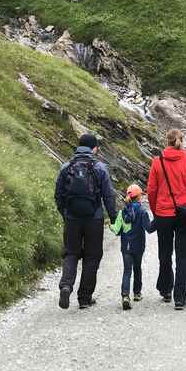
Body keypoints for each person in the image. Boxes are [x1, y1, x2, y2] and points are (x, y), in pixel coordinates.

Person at [146, 128, 186, 310]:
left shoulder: (157, 163)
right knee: (183, 256)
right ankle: (180, 298)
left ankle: (166, 289)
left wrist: (155, 211)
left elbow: (151, 191)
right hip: (185, 215)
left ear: (166, 141)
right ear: (182, 141)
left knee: (164, 253)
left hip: (163, 214)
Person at [55, 133, 116, 310]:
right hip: (94, 219)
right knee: (92, 256)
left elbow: (58, 195)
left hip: (72, 218)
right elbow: (108, 195)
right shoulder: (99, 168)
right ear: (94, 148)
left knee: (71, 253)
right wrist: (112, 217)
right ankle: (84, 297)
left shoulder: (67, 166)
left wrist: (65, 213)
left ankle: (66, 285)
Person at [112, 184, 155, 310]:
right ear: (139, 197)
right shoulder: (142, 212)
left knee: (127, 271)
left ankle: (125, 296)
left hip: (126, 247)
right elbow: (149, 229)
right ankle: (137, 293)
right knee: (137, 268)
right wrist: (158, 220)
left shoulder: (122, 212)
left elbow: (117, 231)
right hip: (138, 246)